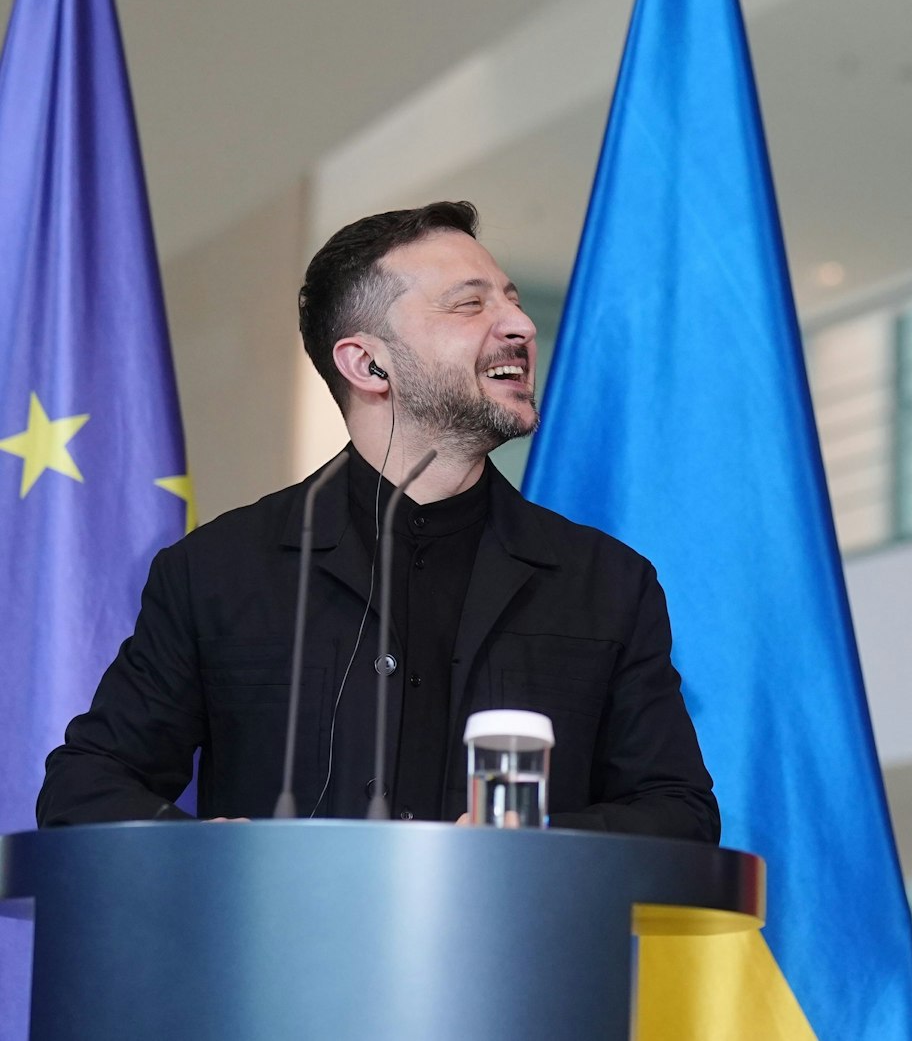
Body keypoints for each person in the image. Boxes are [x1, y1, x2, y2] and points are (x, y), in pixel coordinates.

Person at [39, 201, 718, 839]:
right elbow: (84, 787)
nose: (520, 324)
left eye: (513, 299)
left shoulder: (606, 582)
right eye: (471, 303)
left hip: (516, 931)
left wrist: (534, 850)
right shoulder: (217, 570)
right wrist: (207, 857)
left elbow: (678, 811)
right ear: (367, 363)